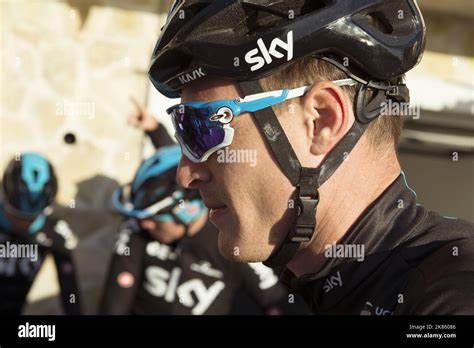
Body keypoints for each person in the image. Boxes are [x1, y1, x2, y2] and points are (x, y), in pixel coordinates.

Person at [148, 0, 474, 314]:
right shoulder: (311, 288)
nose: (186, 174)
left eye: (201, 128)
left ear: (322, 121)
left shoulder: (452, 297)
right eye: (183, 129)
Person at [99, 144, 304, 315]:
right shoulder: (137, 233)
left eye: (154, 219)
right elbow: (114, 304)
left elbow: (276, 301)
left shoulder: (230, 241)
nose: (144, 224)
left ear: (188, 210)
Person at [0, 152, 81, 315]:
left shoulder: (55, 232)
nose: (23, 224)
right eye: (15, 215)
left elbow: (70, 292)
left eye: (31, 218)